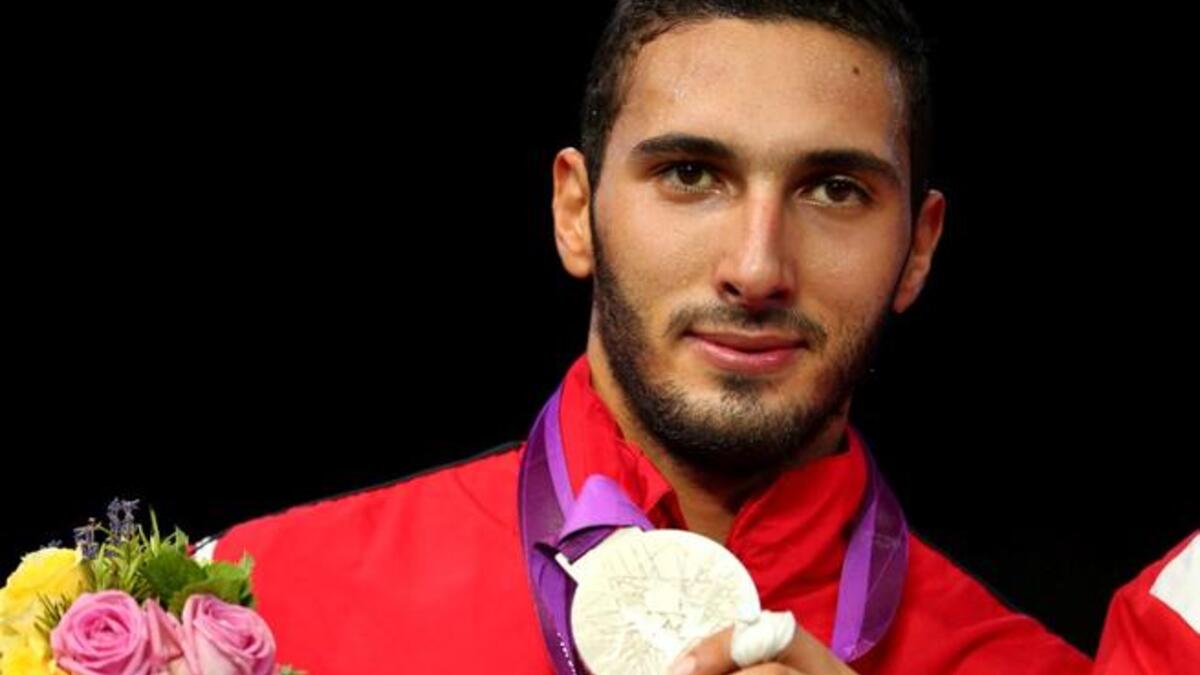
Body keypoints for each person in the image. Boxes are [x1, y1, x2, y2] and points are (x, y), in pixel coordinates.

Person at [203, 2, 1094, 672]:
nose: (756, 267)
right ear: (575, 211)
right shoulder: (252, 606)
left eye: (834, 190)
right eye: (691, 174)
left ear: (919, 249)